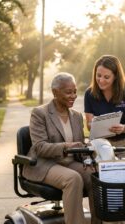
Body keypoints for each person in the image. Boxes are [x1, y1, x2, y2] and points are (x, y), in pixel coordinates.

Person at [23, 72, 101, 224]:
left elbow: (79, 143)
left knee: (95, 176)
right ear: (55, 92)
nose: (73, 96)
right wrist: (66, 146)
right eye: (68, 92)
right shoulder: (40, 113)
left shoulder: (77, 116)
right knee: (73, 178)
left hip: (70, 163)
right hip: (45, 164)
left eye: (74, 92)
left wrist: (89, 155)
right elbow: (39, 147)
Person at [84, 55, 125, 172]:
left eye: (106, 77)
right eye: (98, 75)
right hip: (102, 144)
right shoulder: (89, 94)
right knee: (105, 178)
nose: (101, 80)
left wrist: (124, 128)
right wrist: (98, 124)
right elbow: (89, 125)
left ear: (115, 77)